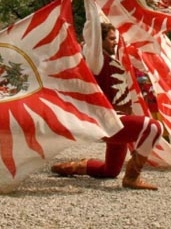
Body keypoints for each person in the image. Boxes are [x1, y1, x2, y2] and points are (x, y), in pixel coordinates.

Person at [50, 22, 162, 190]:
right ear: (98, 40)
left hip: (120, 121)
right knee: (154, 128)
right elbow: (92, 29)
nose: (115, 42)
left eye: (115, 39)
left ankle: (76, 166)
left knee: (111, 171)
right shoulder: (97, 61)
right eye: (111, 39)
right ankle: (132, 176)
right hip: (110, 121)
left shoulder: (112, 59)